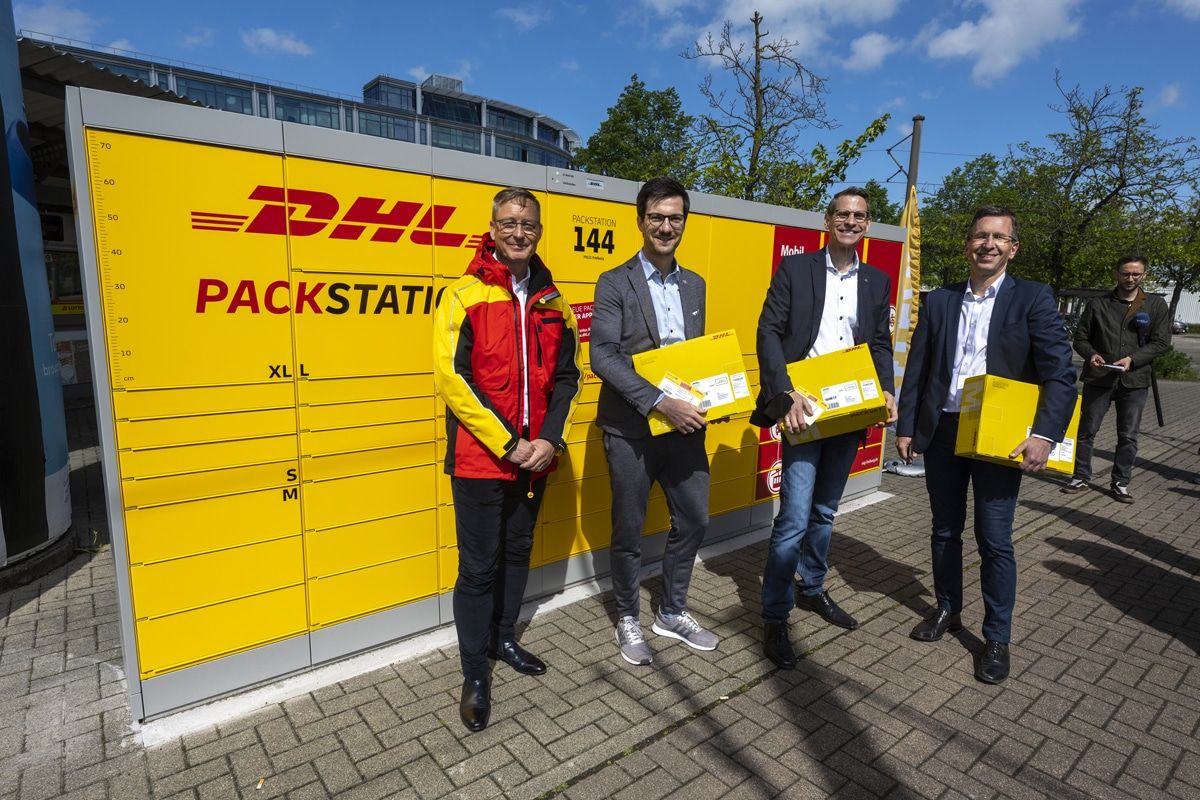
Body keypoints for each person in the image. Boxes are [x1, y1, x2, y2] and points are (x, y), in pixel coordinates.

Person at [896, 206, 1075, 684]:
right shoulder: (940, 300)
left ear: (1013, 248)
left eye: (999, 237)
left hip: (1000, 435)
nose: (988, 244)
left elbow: (1060, 374)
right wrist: (907, 426)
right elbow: (918, 367)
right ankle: (947, 609)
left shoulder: (1032, 297)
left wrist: (1044, 435)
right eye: (980, 236)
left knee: (994, 539)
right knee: (944, 530)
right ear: (967, 245)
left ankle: (997, 636)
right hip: (944, 430)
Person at [432, 187, 582, 732]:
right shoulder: (461, 295)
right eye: (510, 223)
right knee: (478, 568)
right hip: (481, 460)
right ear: (493, 229)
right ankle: (475, 673)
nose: (520, 233)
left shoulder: (554, 302)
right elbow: (453, 380)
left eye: (529, 225)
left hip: (536, 458)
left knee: (518, 551)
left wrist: (548, 441)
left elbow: (569, 377)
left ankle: (504, 640)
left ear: (538, 232)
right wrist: (508, 443)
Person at [751, 187, 897, 670]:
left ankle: (811, 587)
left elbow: (879, 342)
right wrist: (785, 392)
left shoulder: (876, 280)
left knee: (826, 510)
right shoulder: (796, 269)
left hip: (850, 409)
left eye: (860, 216)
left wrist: (886, 390)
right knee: (794, 517)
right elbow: (768, 331)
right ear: (828, 220)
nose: (851, 222)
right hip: (804, 408)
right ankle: (775, 616)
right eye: (843, 214)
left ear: (868, 224)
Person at [590, 176, 719, 666]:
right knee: (629, 529)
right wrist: (661, 402)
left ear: (684, 221)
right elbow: (603, 355)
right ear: (641, 221)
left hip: (683, 427)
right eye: (657, 217)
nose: (666, 227)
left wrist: (711, 396)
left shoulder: (695, 284)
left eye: (675, 218)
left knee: (695, 518)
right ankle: (627, 615)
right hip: (631, 428)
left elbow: (694, 357)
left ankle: (671, 610)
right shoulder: (614, 282)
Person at [1062, 256, 1170, 503]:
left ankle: (1120, 482)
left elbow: (1162, 342)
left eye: (1136, 274)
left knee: (1128, 435)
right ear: (1117, 274)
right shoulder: (1098, 304)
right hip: (1099, 377)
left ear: (1144, 275)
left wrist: (1133, 359)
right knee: (1087, 430)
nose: (1130, 278)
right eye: (1125, 273)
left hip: (1134, 380)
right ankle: (1080, 476)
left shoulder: (1155, 305)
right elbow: (1081, 338)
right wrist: (1091, 354)